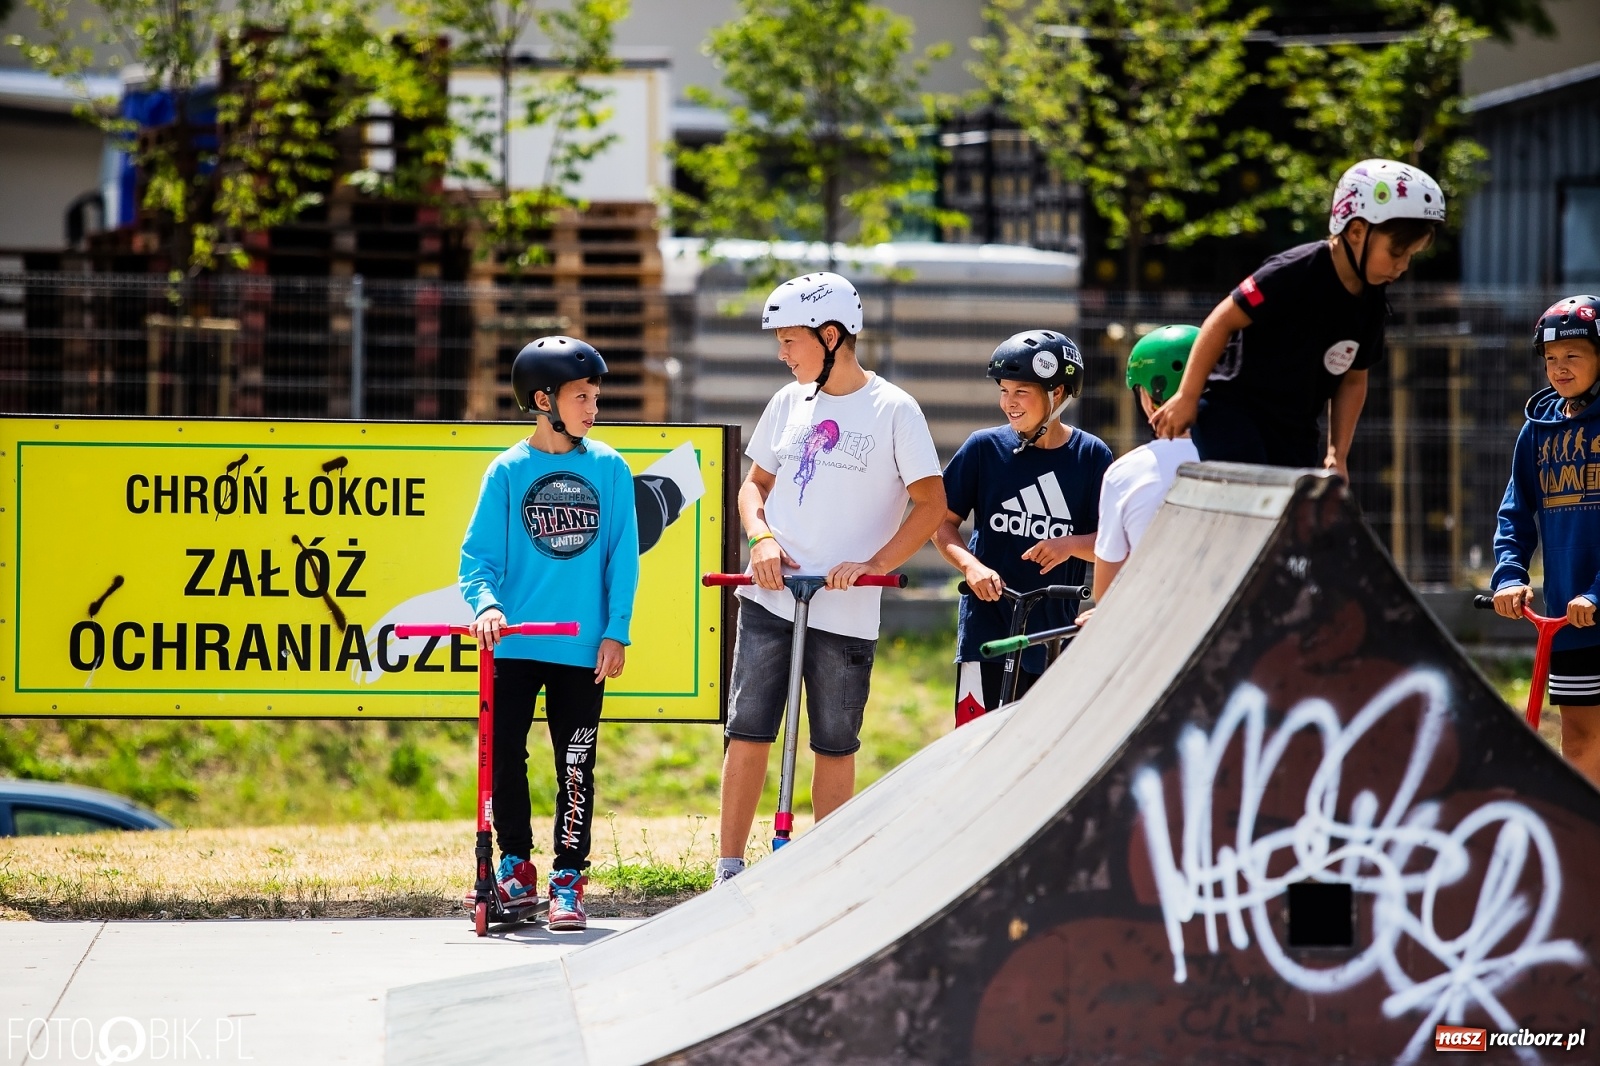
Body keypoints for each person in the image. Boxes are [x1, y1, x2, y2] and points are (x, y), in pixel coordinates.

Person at [715, 271, 945, 884]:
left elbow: (930, 505)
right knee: (749, 730)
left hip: (844, 609)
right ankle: (729, 869)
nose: (782, 353)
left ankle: (825, 877)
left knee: (835, 743)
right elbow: (752, 488)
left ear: (833, 335)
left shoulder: (895, 409)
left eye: (791, 340)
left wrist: (875, 565)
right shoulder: (787, 403)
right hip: (770, 598)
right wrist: (760, 538)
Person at [459, 336, 640, 930]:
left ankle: (568, 878)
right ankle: (514, 867)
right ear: (543, 400)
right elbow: (476, 558)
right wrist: (486, 606)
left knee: (575, 764)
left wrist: (615, 631)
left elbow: (623, 557)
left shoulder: (609, 468)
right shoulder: (508, 470)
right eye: (581, 396)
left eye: (595, 396)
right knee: (505, 756)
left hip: (581, 648)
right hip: (511, 645)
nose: (593, 407)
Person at [1150, 159, 1446, 481]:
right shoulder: (1293, 270)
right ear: (1357, 230)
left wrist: (1338, 454)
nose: (1402, 266)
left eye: (1411, 257)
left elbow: (1353, 379)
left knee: (1294, 521)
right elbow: (1221, 321)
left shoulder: (1372, 300)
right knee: (1253, 503)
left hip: (1295, 430)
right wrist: (1188, 396)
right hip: (1234, 413)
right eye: (1396, 252)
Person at [933, 330, 1112, 726]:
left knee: (1039, 752)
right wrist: (970, 567)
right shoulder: (984, 448)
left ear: (1058, 392)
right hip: (986, 634)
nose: (1008, 403)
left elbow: (1112, 541)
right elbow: (941, 524)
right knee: (973, 748)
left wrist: (1070, 545)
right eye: (1004, 391)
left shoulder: (1091, 456)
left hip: (1053, 635)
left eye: (1022, 392)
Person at [1491, 294, 1600, 787]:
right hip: (1569, 616)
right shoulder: (1539, 431)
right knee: (1577, 740)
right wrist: (1509, 576)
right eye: (1551, 359)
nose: (1559, 368)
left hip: (1592, 602)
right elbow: (1516, 513)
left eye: (1573, 356)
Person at [1089, 325, 1201, 603]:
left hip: (1154, 631)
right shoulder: (1249, 458)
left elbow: (1105, 592)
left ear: (1151, 399)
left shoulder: (1125, 473)